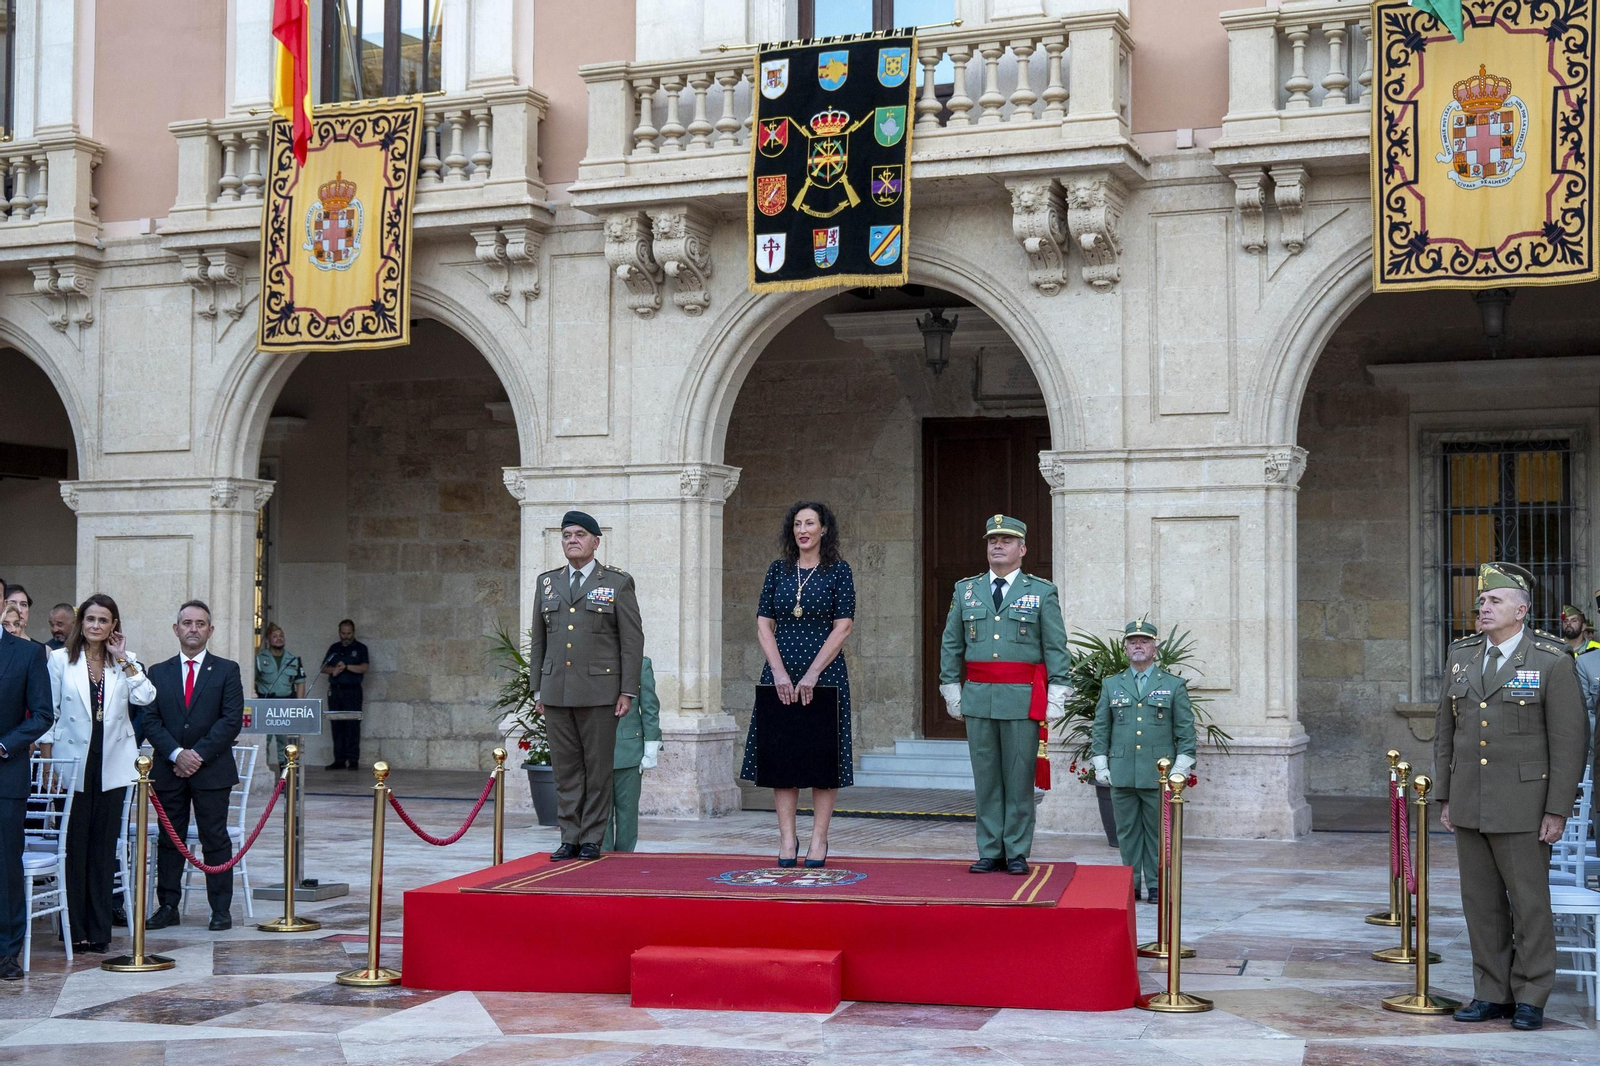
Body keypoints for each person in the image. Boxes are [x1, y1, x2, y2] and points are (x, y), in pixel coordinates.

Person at [1435, 562, 1588, 1032]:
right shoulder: (1461, 655)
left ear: (1520, 610)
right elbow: (1447, 731)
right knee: (1480, 905)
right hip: (1469, 800)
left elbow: (1569, 741)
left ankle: (1531, 995)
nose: (1483, 607)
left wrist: (1557, 808)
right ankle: (1491, 992)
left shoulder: (1551, 660)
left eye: (1494, 601)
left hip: (1524, 805)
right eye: (1482, 601)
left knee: (1529, 904)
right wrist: (1445, 795)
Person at [940, 515, 1069, 876]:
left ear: (1022, 549)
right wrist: (951, 688)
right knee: (986, 779)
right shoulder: (965, 590)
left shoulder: (1041, 591)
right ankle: (989, 850)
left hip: (1021, 697)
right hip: (979, 696)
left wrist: (1058, 691)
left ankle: (1016, 851)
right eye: (992, 540)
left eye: (1006, 540)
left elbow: (1055, 645)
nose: (997, 545)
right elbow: (952, 643)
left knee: (1018, 777)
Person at [739, 501, 856, 868]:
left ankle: (819, 839)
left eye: (810, 523)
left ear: (824, 530)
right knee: (782, 758)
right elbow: (763, 623)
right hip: (780, 672)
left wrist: (812, 673)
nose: (803, 530)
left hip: (825, 674)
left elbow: (844, 626)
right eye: (797, 524)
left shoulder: (839, 570)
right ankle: (787, 839)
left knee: (823, 760)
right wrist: (777, 671)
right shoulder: (778, 570)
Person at [40, 594, 155, 953]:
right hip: (72, 762)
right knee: (74, 847)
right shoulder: (59, 660)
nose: (95, 626)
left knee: (104, 847)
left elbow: (146, 698)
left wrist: (123, 660)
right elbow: (51, 712)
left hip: (114, 762)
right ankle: (76, 931)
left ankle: (100, 930)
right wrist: (48, 763)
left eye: (103, 620)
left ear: (113, 626)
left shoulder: (126, 662)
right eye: (90, 619)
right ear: (80, 623)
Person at [529, 510, 644, 861]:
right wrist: (537, 688)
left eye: (580, 534)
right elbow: (540, 640)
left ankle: (592, 837)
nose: (572, 540)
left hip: (599, 692)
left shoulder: (617, 582)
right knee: (565, 770)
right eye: (566, 535)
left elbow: (631, 641)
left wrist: (627, 691)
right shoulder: (547, 582)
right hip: (556, 691)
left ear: (596, 541)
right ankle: (570, 836)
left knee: (596, 769)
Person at [140, 600, 246, 931]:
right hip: (169, 771)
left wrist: (196, 755)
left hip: (211, 770)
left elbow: (231, 721)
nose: (193, 629)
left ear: (210, 630)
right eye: (187, 623)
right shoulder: (158, 672)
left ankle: (219, 909)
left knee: (215, 837)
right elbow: (150, 719)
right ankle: (168, 905)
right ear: (176, 629)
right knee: (171, 839)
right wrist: (175, 753)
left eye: (200, 624)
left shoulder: (227, 670)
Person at [1089, 618, 1196, 903]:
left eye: (1144, 641)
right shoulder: (1112, 684)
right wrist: (1101, 763)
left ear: (1155, 648)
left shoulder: (1173, 685)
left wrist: (1181, 768)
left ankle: (1156, 884)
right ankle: (1129, 884)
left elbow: (1185, 731)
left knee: (1158, 832)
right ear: (1125, 649)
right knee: (1126, 832)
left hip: (1157, 773)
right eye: (1133, 642)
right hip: (1122, 770)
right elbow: (1101, 727)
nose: (1139, 646)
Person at [0, 580, 51, 980]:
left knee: (4, 866)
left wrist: (3, 746)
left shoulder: (28, 653)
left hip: (5, 775)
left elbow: (41, 714)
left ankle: (6, 951)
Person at [603, 655, 661, 852]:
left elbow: (650, 707)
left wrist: (651, 745)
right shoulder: (590, 658)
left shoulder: (640, 663)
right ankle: (604, 858)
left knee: (627, 813)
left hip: (629, 749)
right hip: (597, 748)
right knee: (601, 812)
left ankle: (625, 859)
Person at [255, 623, 306, 770]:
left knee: (286, 742)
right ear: (267, 640)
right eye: (275, 636)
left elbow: (300, 682)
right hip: (266, 705)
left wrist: (299, 705)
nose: (279, 639)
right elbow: (251, 679)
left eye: (281, 636)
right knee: (264, 740)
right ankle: (261, 772)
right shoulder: (259, 659)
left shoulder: (293, 659)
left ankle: (286, 775)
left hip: (286, 704)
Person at [320, 619, 369, 770]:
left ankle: (353, 760)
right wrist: (333, 670)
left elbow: (364, 667)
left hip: (352, 691)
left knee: (353, 725)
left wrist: (347, 667)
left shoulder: (360, 648)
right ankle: (339, 760)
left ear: (353, 632)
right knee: (337, 725)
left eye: (348, 633)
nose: (345, 636)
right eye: (343, 633)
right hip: (335, 691)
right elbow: (323, 667)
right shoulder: (334, 648)